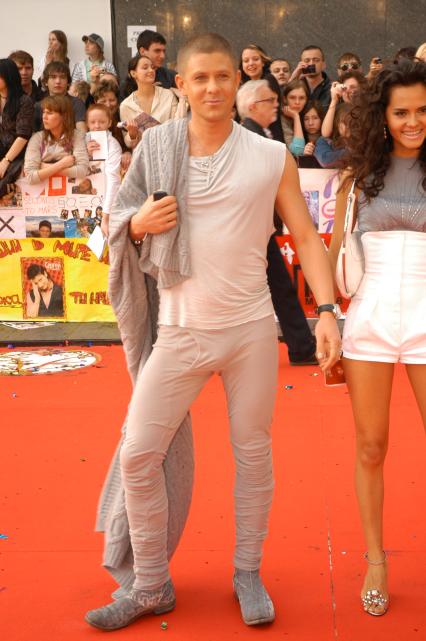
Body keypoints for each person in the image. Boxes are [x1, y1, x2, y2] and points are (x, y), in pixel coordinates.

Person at [85, 32, 341, 632]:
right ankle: (151, 584)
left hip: (250, 330)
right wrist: (139, 223)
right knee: (138, 454)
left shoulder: (269, 156)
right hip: (179, 331)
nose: (212, 88)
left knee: (253, 454)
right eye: (199, 78)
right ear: (181, 84)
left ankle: (247, 572)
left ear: (239, 80)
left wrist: (327, 311)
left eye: (223, 76)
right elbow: (115, 221)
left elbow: (305, 236)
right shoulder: (156, 148)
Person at [328, 58, 426, 617]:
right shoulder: (357, 177)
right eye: (401, 112)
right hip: (371, 319)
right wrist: (326, 317)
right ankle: (375, 559)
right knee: (370, 446)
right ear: (382, 117)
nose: (413, 122)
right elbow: (332, 254)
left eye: (423, 111)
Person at [237, 79, 318, 364]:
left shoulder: (260, 134)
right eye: (269, 101)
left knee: (279, 287)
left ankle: (302, 347)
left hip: (258, 227)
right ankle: (301, 347)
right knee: (274, 288)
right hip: (251, 229)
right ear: (251, 106)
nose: (275, 105)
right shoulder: (249, 136)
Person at [119, 55, 185, 149]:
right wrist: (132, 135)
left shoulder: (168, 95)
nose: (151, 70)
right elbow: (129, 143)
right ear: (133, 73)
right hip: (143, 155)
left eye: (152, 67)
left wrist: (182, 98)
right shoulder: (126, 105)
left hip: (168, 151)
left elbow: (178, 125)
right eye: (145, 67)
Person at [24, 94, 89, 184]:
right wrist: (61, 164)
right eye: (43, 112)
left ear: (64, 116)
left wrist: (44, 167)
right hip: (43, 191)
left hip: (70, 191)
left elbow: (83, 170)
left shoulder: (77, 135)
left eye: (49, 113)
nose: (44, 117)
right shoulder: (37, 138)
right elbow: (30, 177)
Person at [86, 103, 122, 237]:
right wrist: (86, 154)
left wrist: (106, 218)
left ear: (109, 123)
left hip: (106, 201)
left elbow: (114, 181)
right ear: (87, 123)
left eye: (101, 122)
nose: (97, 126)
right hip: (82, 200)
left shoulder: (113, 145)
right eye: (92, 122)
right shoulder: (81, 141)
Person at [0, 58, 34, 198]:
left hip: (17, 156)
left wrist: (6, 161)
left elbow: (23, 136)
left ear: (8, 76)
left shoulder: (24, 101)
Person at [34, 62, 86, 133]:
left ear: (68, 82)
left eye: (62, 77)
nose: (58, 81)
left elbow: (82, 132)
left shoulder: (77, 103)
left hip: (72, 139)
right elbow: (34, 134)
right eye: (53, 77)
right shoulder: (38, 106)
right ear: (46, 82)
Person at [281, 78, 310, 155]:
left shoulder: (308, 114)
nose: (297, 102)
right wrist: (296, 117)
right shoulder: (281, 119)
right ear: (285, 99)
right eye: (292, 98)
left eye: (302, 98)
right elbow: (298, 150)